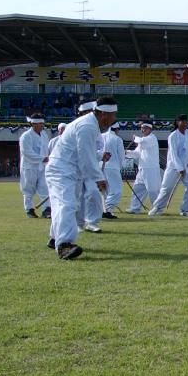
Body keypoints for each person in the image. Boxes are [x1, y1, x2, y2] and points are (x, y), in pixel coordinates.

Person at [45, 97, 118, 259]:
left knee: (69, 205)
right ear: (104, 114)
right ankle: (64, 245)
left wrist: (97, 171)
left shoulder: (91, 125)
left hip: (71, 171)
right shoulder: (87, 126)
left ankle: (55, 238)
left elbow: (87, 154)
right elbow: (86, 156)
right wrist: (98, 177)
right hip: (61, 170)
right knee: (66, 204)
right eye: (113, 115)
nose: (115, 119)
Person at [148, 114, 188, 217]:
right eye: (182, 121)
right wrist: (180, 168)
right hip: (174, 167)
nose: (185, 124)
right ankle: (157, 208)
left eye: (186, 122)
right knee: (167, 188)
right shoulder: (173, 136)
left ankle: (185, 210)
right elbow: (173, 154)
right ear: (177, 122)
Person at [75, 101, 105, 233]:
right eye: (83, 113)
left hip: (91, 167)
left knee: (93, 193)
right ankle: (79, 223)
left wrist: (101, 155)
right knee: (77, 197)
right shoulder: (78, 126)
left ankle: (92, 222)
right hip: (75, 167)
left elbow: (95, 149)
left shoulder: (95, 129)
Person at [19, 112, 51, 218]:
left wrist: (47, 158)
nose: (42, 126)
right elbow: (27, 152)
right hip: (29, 167)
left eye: (43, 124)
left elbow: (47, 149)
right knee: (28, 189)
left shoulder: (44, 135)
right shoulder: (25, 136)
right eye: (40, 124)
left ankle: (46, 209)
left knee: (44, 188)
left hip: (42, 166)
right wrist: (42, 158)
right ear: (34, 124)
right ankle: (29, 209)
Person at [126, 123, 161, 213]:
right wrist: (126, 152)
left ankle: (158, 209)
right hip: (142, 168)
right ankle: (135, 208)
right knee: (137, 188)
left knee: (153, 190)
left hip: (151, 168)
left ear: (150, 129)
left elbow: (140, 141)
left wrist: (135, 138)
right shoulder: (142, 140)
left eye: (145, 128)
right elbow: (137, 153)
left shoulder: (151, 138)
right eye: (142, 128)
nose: (143, 130)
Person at [101, 124, 125, 219]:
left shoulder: (101, 136)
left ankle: (104, 209)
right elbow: (121, 155)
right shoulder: (117, 139)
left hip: (101, 166)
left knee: (104, 190)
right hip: (113, 166)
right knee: (116, 190)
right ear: (117, 129)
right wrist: (119, 167)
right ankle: (107, 209)